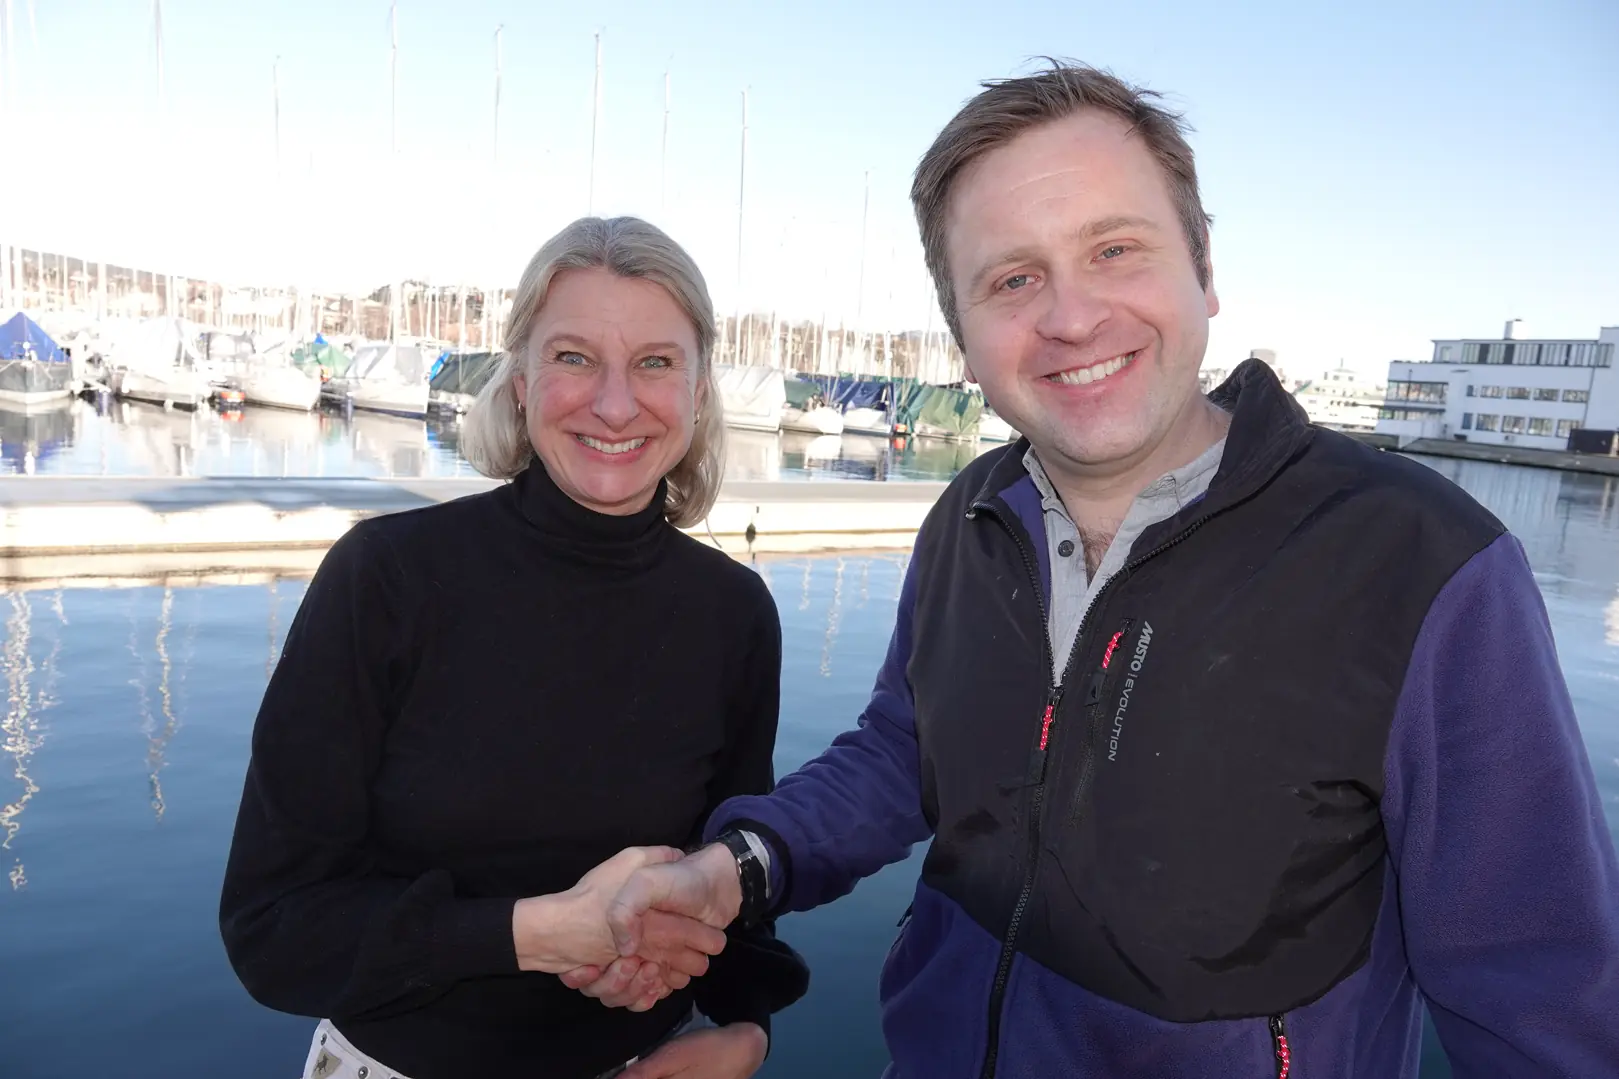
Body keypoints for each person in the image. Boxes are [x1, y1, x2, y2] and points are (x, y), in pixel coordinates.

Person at [598, 64, 1619, 1077]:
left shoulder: (1418, 563)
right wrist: (737, 866)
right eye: (1012, 279)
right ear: (962, 338)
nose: (1072, 316)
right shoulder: (970, 515)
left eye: (1114, 250)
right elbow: (902, 750)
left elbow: (1539, 996)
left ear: (1203, 268)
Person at [219, 215, 807, 1079]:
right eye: (574, 357)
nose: (615, 403)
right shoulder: (387, 578)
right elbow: (273, 929)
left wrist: (746, 1027)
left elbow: (733, 880)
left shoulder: (733, 612)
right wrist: (536, 933)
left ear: (699, 390)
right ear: (523, 380)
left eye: (655, 362)